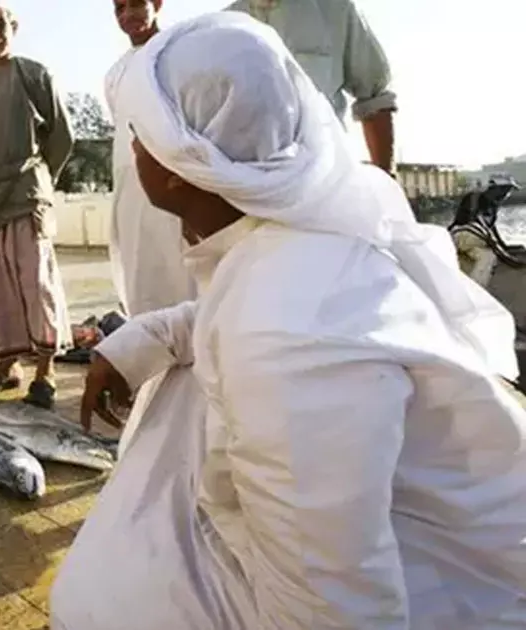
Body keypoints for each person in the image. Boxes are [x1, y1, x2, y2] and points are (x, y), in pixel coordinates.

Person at [52, 13, 526, 629]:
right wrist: (144, 339)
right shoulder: (291, 240)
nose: (132, 149)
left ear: (172, 167)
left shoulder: (284, 337)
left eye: (140, 135)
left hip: (442, 599)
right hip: (388, 555)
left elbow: (337, 610)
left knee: (91, 605)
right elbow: (220, 313)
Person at [0, 0, 74, 409]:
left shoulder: (34, 73)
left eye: (0, 25)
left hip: (24, 197)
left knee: (35, 284)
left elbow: (61, 136)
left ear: (13, 26)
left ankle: (45, 370)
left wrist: (38, 180)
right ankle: (6, 366)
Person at [228, 0, 397, 173]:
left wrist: (387, 183)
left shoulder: (336, 11)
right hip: (242, 185)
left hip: (323, 181)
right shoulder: (224, 25)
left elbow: (376, 97)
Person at [104, 0, 195, 317]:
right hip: (133, 194)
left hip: (178, 188)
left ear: (157, 3)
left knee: (186, 282)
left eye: (136, 4)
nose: (128, 15)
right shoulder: (114, 74)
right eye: (119, 7)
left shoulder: (180, 53)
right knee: (141, 282)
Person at [450, 176, 526, 287]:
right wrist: (508, 258)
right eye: (506, 191)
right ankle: (474, 292)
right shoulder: (474, 198)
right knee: (490, 248)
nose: (506, 195)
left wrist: (504, 246)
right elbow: (479, 228)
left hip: (476, 239)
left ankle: (475, 288)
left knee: (488, 257)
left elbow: (491, 229)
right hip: (463, 235)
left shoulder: (492, 206)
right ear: (496, 189)